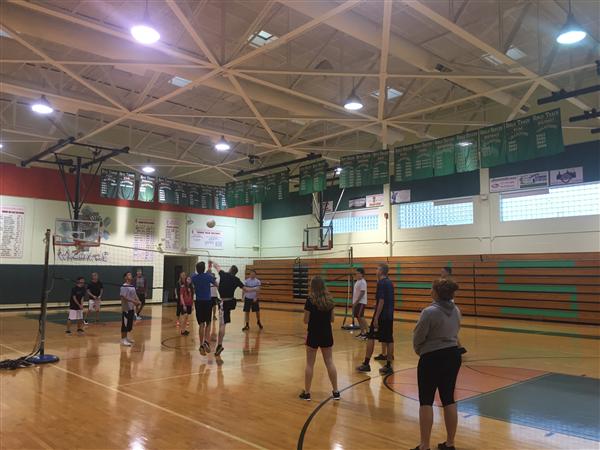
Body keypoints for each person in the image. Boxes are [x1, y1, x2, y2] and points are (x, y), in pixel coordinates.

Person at [411, 278, 462, 450]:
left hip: (432, 358)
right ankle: (450, 443)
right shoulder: (456, 310)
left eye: (431, 288)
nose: (429, 291)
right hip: (453, 356)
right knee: (448, 399)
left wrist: (421, 350)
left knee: (426, 400)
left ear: (437, 293)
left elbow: (418, 337)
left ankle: (424, 445)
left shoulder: (429, 312)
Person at [299, 276, 339, 401]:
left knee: (310, 364)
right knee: (329, 362)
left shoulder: (310, 300)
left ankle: (307, 393)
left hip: (313, 334)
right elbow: (332, 319)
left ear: (313, 286)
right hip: (326, 333)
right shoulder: (329, 300)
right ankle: (336, 391)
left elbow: (306, 320)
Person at [357, 263, 395, 375]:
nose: (376, 271)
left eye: (377, 269)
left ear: (381, 271)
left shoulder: (381, 283)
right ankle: (388, 366)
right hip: (389, 315)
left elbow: (382, 300)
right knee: (389, 339)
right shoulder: (389, 282)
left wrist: (376, 317)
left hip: (382, 316)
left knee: (370, 337)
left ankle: (366, 364)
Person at [213, 261, 245, 357]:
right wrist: (255, 289)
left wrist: (211, 262)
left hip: (223, 303)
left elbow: (217, 266)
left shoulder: (224, 275)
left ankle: (219, 345)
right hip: (230, 303)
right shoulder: (236, 279)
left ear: (230, 269)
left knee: (222, 325)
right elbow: (245, 288)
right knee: (224, 324)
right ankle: (219, 344)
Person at [191, 261, 217, 355]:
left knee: (201, 324)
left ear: (197, 269)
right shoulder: (208, 277)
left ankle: (201, 344)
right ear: (204, 268)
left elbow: (190, 280)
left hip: (198, 302)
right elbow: (216, 284)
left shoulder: (194, 277)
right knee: (208, 323)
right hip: (207, 302)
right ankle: (206, 341)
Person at [120, 271, 141, 346]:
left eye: (131, 274)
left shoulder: (132, 286)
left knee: (129, 325)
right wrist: (133, 301)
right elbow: (124, 297)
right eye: (129, 274)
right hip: (126, 308)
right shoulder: (123, 286)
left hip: (131, 308)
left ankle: (126, 338)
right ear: (125, 277)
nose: (130, 275)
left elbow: (135, 295)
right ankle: (123, 340)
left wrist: (138, 301)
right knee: (124, 325)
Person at [352, 267, 368, 339]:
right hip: (357, 302)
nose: (357, 274)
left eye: (358, 273)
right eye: (356, 273)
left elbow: (362, 293)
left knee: (361, 317)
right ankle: (362, 332)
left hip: (361, 302)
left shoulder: (362, 282)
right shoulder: (357, 281)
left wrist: (356, 302)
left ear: (362, 274)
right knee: (358, 317)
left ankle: (368, 332)